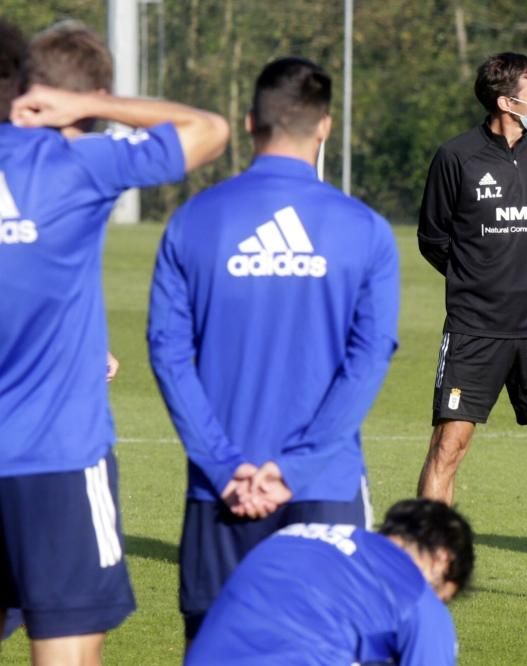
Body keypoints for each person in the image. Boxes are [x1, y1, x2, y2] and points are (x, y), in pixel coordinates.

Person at [147, 56, 400, 643]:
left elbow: (167, 354)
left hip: (221, 494)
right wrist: (293, 469)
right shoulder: (363, 229)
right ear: (325, 127)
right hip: (323, 492)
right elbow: (368, 360)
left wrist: (223, 465)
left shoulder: (192, 221)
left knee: (220, 650)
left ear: (249, 122)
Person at [0, 18, 228, 666]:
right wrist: (94, 106)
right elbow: (208, 130)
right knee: (68, 651)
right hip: (57, 458)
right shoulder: (77, 164)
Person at [416, 51, 527, 602]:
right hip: (473, 328)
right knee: (449, 446)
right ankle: (427, 572)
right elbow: (433, 237)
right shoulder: (455, 157)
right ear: (504, 101)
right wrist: (476, 281)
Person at [185, 498, 474, 665]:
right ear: (442, 559)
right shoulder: (417, 596)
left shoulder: (295, 535)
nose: (436, 602)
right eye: (442, 595)